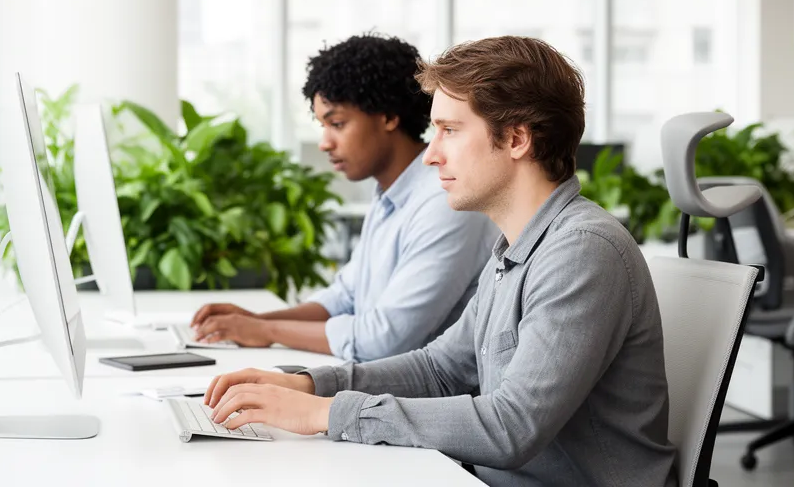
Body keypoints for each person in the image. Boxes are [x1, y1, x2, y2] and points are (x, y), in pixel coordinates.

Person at [199, 36, 678, 486]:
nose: (430, 157)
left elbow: (511, 426)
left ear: (516, 139)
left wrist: (327, 414)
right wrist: (309, 385)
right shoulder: (515, 248)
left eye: (449, 131)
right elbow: (440, 370)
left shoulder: (581, 251)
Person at [189, 34, 497, 363]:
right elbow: (345, 297)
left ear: (389, 117)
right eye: (322, 126)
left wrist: (267, 332)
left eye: (337, 124)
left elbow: (385, 338)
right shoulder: (390, 195)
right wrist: (253, 322)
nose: (324, 143)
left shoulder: (444, 200)